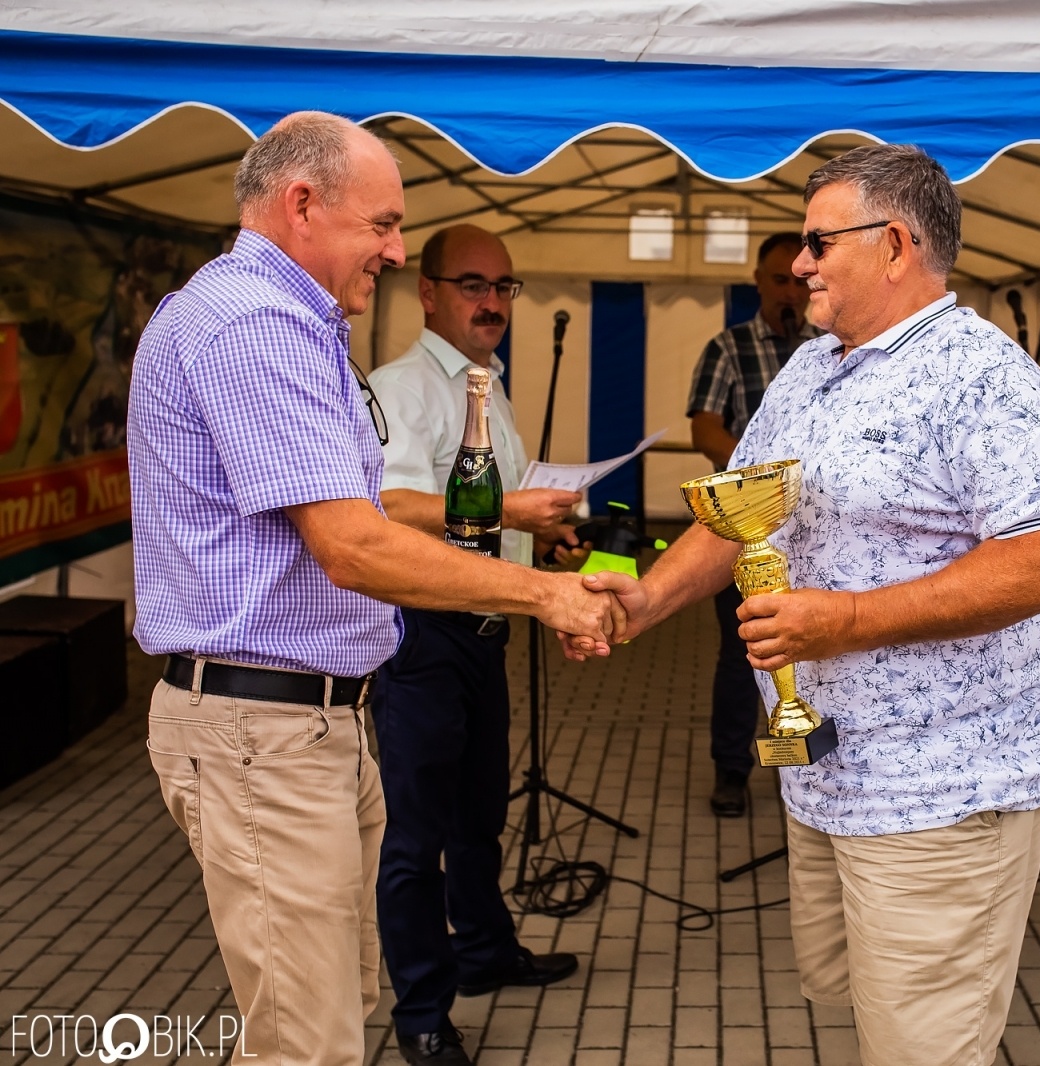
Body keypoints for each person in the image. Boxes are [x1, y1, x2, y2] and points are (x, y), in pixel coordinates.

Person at [567, 144, 1040, 1066]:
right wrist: (643, 600)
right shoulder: (812, 368)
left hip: (943, 788)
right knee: (866, 1015)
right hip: (831, 776)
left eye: (818, 241)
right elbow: (739, 507)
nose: (799, 261)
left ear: (894, 244)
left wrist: (844, 621)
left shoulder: (986, 377)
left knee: (925, 1044)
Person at [126, 112, 623, 1066]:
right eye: (383, 225)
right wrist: (547, 598)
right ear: (301, 203)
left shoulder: (281, 319)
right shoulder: (254, 324)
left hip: (305, 721)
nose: (397, 253)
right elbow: (355, 543)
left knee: (326, 1013)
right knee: (307, 1039)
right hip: (260, 731)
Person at [366, 224, 583, 1065]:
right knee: (416, 837)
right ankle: (422, 1012)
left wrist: (549, 542)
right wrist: (507, 515)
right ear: (427, 292)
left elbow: (504, 518)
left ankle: (486, 952)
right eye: (472, 285)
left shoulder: (491, 389)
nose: (492, 302)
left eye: (504, 288)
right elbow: (384, 508)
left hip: (486, 628)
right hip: (420, 635)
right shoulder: (400, 386)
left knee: (479, 815)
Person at [685, 230, 819, 817]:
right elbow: (704, 429)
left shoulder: (829, 347)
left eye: (798, 280)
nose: (790, 291)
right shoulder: (727, 347)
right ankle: (731, 770)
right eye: (779, 280)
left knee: (809, 649)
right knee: (743, 654)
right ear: (759, 284)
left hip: (815, 537)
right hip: (744, 532)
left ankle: (804, 763)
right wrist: (757, 477)